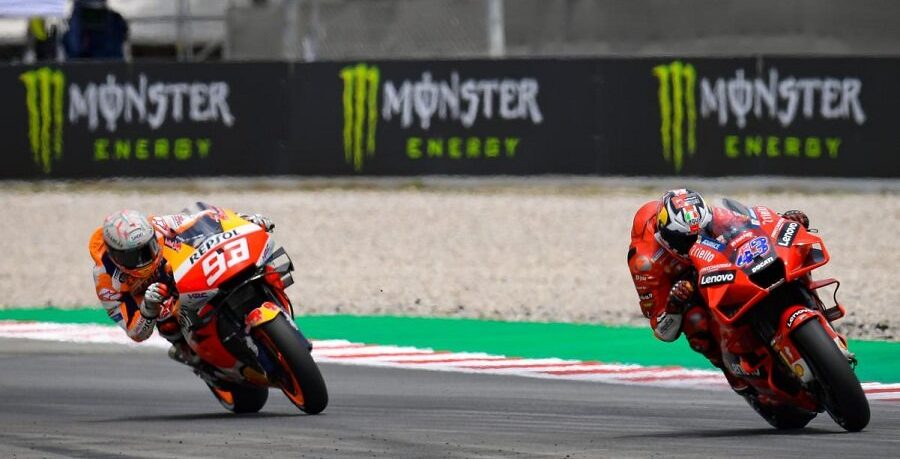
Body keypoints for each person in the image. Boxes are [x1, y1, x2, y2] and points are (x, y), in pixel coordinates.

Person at [627, 189, 809, 393]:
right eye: (687, 240)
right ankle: (735, 376)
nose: (696, 240)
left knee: (784, 254)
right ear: (668, 235)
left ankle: (811, 303)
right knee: (696, 321)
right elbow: (663, 331)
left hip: (715, 261)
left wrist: (783, 222)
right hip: (684, 282)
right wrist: (674, 304)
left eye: (701, 231)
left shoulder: (709, 217)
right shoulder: (645, 263)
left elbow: (750, 225)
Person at [89, 206, 275, 366]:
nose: (143, 260)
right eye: (132, 257)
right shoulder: (105, 279)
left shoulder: (160, 225)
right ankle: (187, 351)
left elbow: (208, 218)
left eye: (148, 248)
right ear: (114, 255)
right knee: (167, 321)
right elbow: (135, 333)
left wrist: (246, 221)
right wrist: (148, 309)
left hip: (184, 274)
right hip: (157, 299)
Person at [62, 0, 130, 60]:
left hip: (108, 59)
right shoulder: (76, 20)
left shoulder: (115, 21)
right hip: (81, 60)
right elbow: (74, 48)